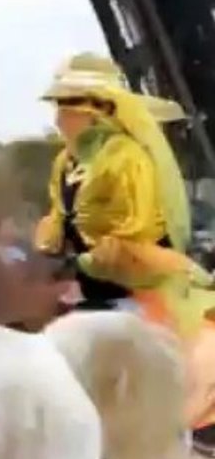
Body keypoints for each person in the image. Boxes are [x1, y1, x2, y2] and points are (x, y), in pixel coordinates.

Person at [34, 52, 215, 435]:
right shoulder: (66, 162)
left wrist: (79, 263)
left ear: (94, 112)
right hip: (86, 284)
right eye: (58, 107)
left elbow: (134, 236)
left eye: (66, 107)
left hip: (137, 283)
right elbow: (59, 219)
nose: (57, 118)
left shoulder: (128, 159)